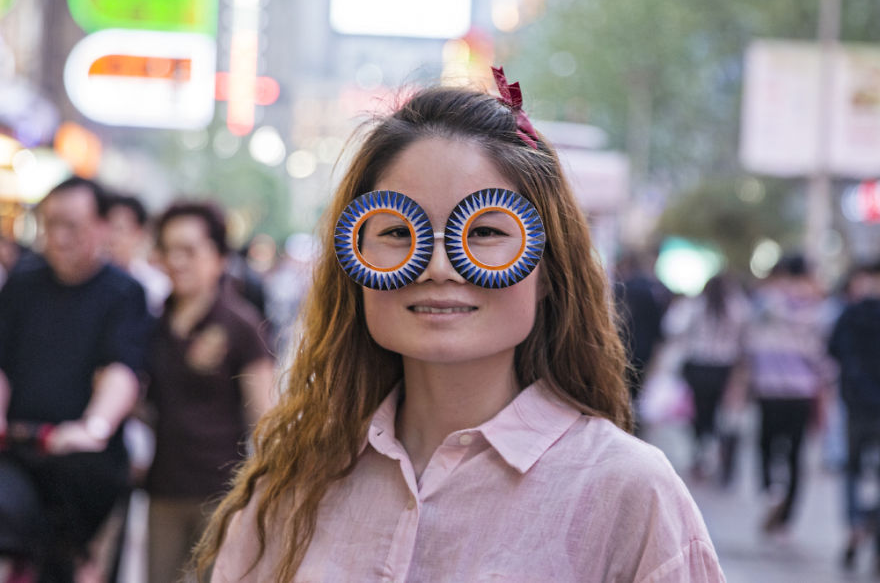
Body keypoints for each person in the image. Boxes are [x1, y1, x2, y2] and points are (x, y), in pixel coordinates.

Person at [193, 69, 724, 582]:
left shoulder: (627, 493)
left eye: (487, 231)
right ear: (354, 260)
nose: (438, 266)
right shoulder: (294, 479)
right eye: (398, 233)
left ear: (548, 269)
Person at [0, 176, 151, 581]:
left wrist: (94, 427)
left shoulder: (125, 293)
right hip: (17, 449)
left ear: (102, 226)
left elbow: (122, 369)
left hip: (84, 467)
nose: (59, 238)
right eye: (51, 225)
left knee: (77, 565)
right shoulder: (23, 283)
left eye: (72, 226)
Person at [146, 201, 275, 583]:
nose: (176, 261)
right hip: (162, 488)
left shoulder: (242, 325)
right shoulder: (154, 321)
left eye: (188, 250)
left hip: (220, 494)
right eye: (169, 249)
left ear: (219, 257)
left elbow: (264, 415)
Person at [745, 254, 835, 534]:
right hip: (801, 389)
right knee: (796, 453)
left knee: (765, 444)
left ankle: (771, 491)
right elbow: (822, 354)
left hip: (768, 386)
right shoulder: (818, 308)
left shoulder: (765, 302)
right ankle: (786, 520)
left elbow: (749, 341)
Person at [663, 272, 750, 481]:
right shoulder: (737, 308)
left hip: (698, 366)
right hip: (724, 367)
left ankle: (702, 451)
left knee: (700, 413)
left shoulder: (695, 306)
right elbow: (745, 340)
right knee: (720, 414)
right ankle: (715, 452)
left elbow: (672, 328)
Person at [828, 259, 880, 571]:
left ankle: (855, 526)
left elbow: (834, 351)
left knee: (853, 469)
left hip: (856, 407)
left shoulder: (850, 314)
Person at [614, 250, 671, 433]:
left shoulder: (620, 289)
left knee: (620, 393)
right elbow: (659, 331)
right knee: (637, 397)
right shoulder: (653, 292)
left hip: (619, 350)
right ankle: (632, 429)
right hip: (643, 354)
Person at [105, 192, 171, 316]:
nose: (111, 237)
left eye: (119, 229)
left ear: (139, 233)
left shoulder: (154, 287)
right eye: (106, 228)